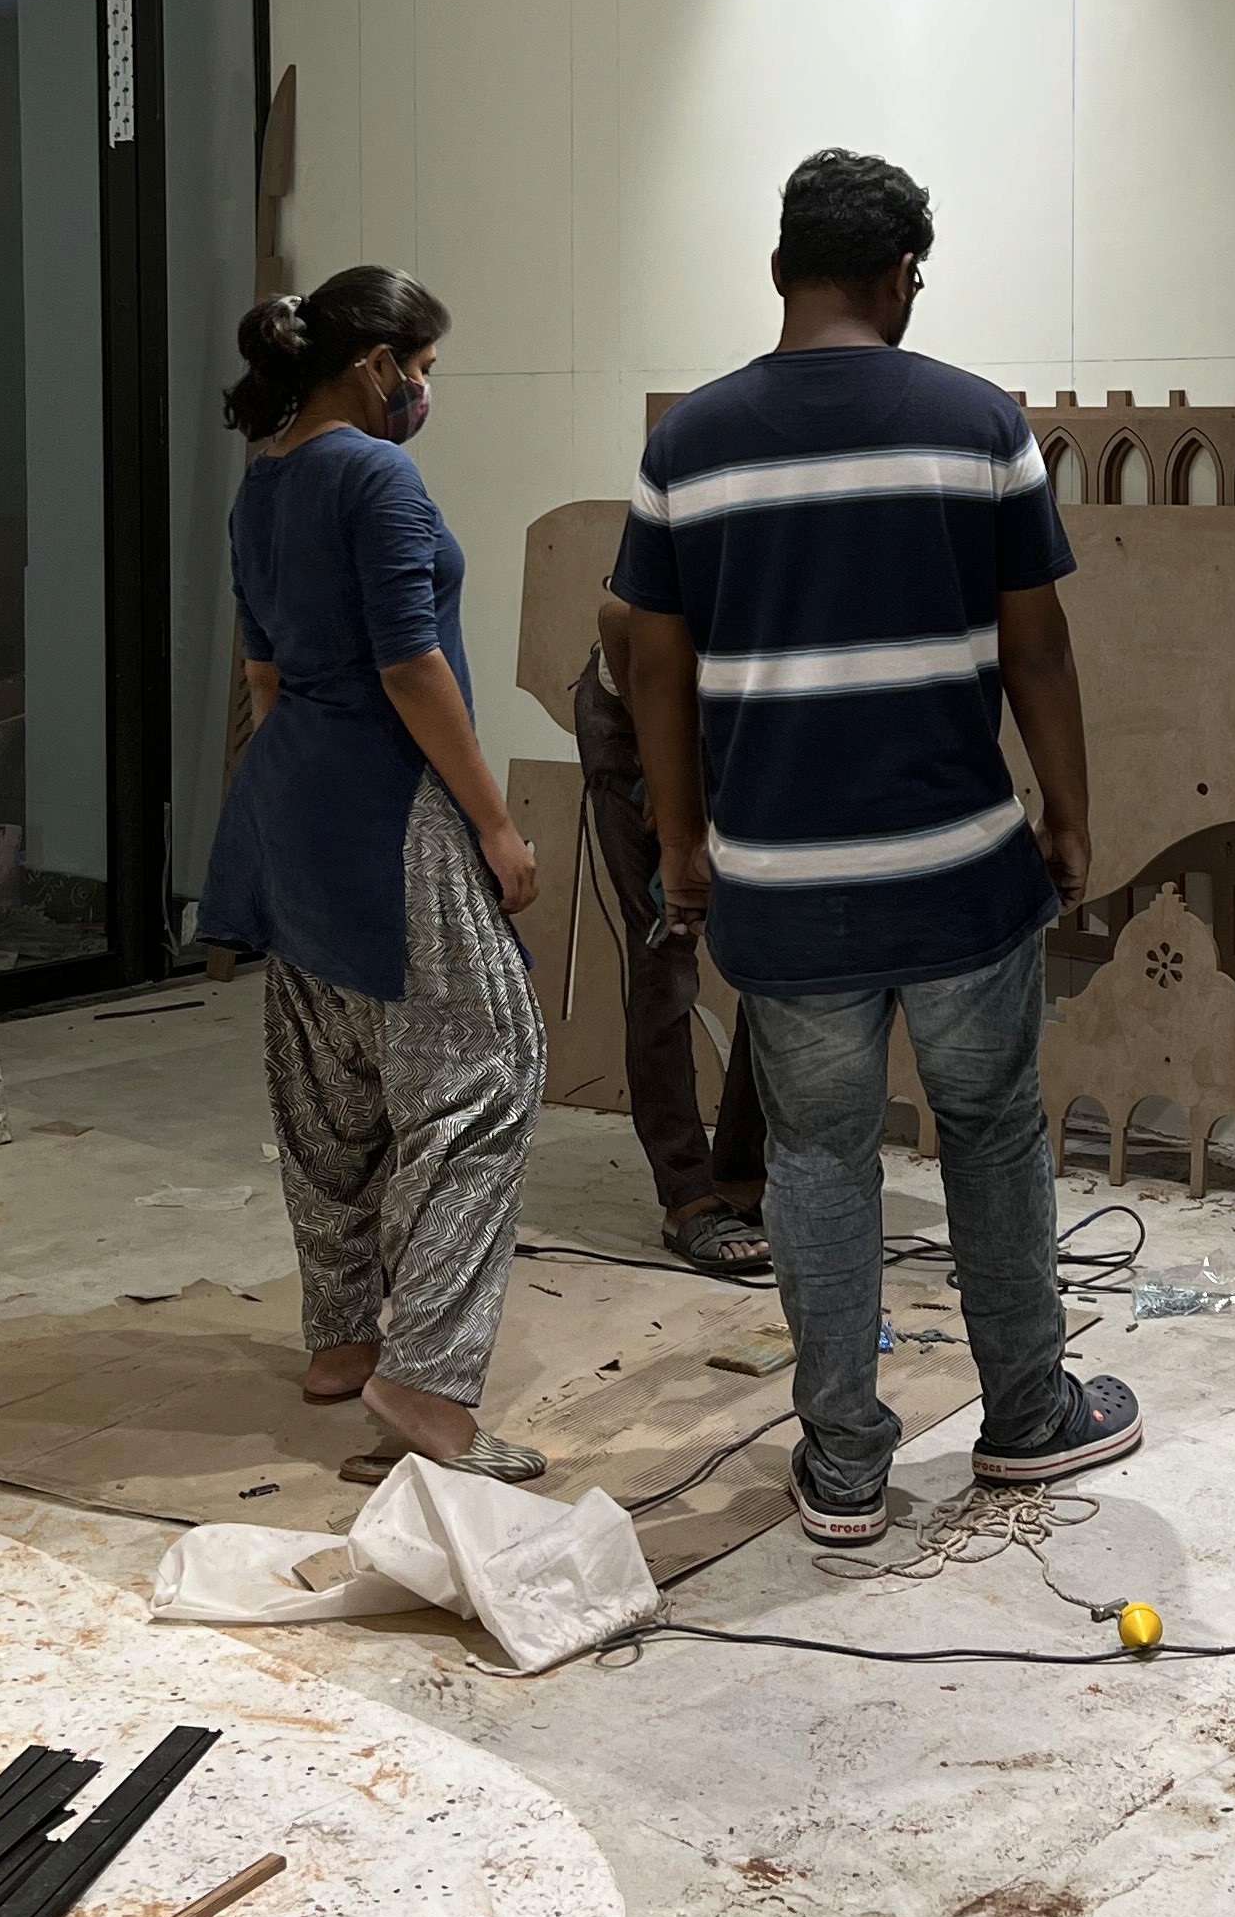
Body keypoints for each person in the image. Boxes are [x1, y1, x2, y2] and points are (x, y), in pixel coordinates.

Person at [612, 148, 1142, 1545]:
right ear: (903, 275)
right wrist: (1069, 811)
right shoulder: (977, 424)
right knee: (992, 1134)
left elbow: (652, 665)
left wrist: (684, 842)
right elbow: (1038, 647)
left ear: (780, 269)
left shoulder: (687, 446)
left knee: (818, 1161)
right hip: (958, 872)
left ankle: (845, 1465)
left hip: (787, 890)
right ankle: (1027, 1416)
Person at [199, 265, 549, 1473]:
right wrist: (494, 825)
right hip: (390, 798)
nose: (427, 390)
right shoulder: (376, 474)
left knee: (330, 1081)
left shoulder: (262, 483)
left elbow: (262, 676)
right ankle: (428, 1388)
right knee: (487, 1073)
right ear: (374, 363)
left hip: (289, 796)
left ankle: (341, 1341)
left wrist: (283, 807)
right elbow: (411, 666)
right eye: (424, 367)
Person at [574, 588, 774, 1277]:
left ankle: (743, 1173)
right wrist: (669, 795)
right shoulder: (733, 538)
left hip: (733, 729)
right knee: (667, 952)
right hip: (636, 712)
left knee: (771, 955)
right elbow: (618, 617)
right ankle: (687, 1196)